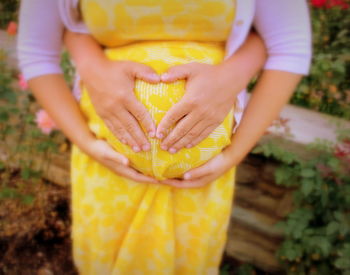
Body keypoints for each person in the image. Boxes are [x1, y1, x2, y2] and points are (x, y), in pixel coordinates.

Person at [17, 0, 312, 273]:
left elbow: (289, 45)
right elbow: (37, 52)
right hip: (105, 169)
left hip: (201, 181)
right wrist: (86, 140)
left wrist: (234, 150)